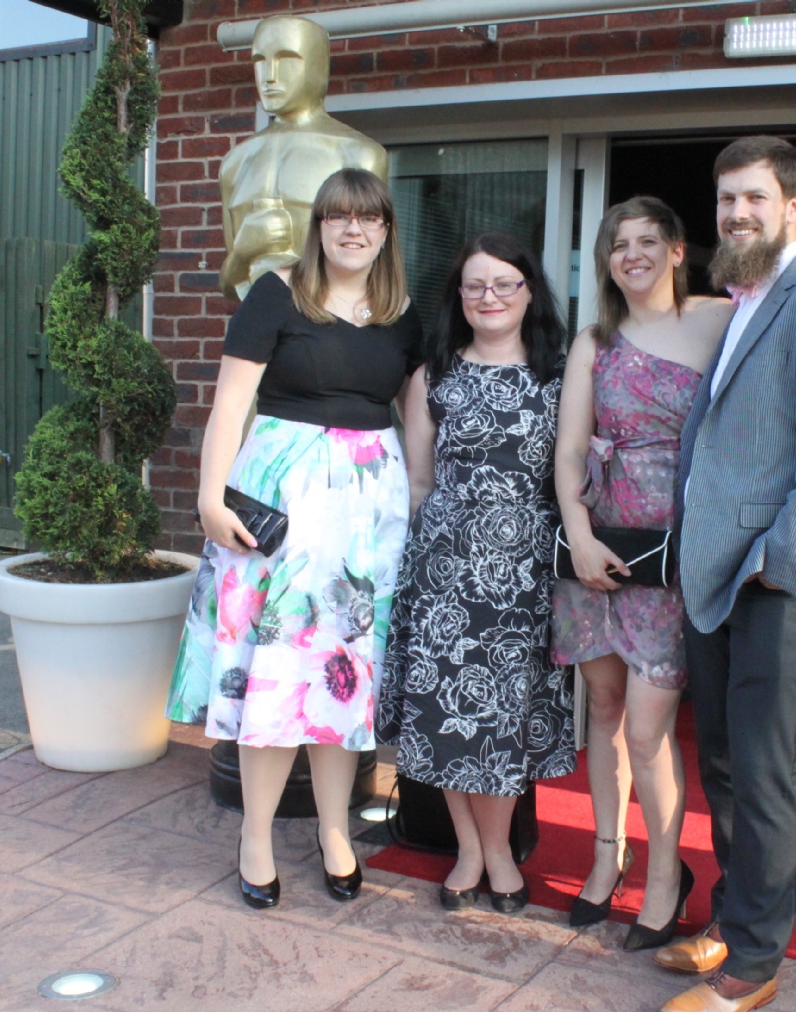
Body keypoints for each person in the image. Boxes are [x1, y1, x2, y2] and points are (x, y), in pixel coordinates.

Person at [657, 136, 796, 1012]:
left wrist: (778, 560)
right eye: (725, 200)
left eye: (754, 198)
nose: (736, 214)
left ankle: (752, 965)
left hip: (780, 583)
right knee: (723, 762)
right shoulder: (746, 298)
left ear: (794, 205)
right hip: (716, 577)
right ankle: (730, 921)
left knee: (762, 769)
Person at [165, 169, 423, 910]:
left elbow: (417, 418)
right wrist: (209, 498)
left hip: (366, 519)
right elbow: (230, 405)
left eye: (368, 218)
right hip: (282, 504)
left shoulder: (403, 312)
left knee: (346, 674)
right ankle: (256, 837)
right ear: (319, 226)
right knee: (277, 672)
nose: (353, 230)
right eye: (338, 216)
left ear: (385, 231)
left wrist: (421, 505)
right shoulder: (276, 293)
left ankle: (336, 832)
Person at [377, 232, 576, 913]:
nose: (489, 296)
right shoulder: (432, 374)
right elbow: (418, 481)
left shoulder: (560, 374)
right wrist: (411, 574)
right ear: (458, 296)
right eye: (475, 285)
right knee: (449, 717)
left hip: (524, 572)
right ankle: (473, 850)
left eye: (504, 283)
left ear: (529, 291)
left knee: (504, 719)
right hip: (445, 571)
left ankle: (498, 852)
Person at [551, 197, 732, 948]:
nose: (632, 254)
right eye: (619, 243)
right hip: (600, 544)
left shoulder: (722, 319)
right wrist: (579, 538)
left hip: (675, 547)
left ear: (678, 250)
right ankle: (606, 856)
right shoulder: (594, 341)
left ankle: (666, 873)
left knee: (649, 726)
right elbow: (570, 449)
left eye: (648, 240)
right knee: (602, 708)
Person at [218, 16, 388, 300]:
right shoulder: (236, 162)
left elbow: (372, 270)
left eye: (286, 59)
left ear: (317, 64)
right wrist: (242, 253)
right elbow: (228, 285)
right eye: (260, 61)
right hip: (255, 323)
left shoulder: (357, 154)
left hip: (327, 320)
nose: (269, 76)